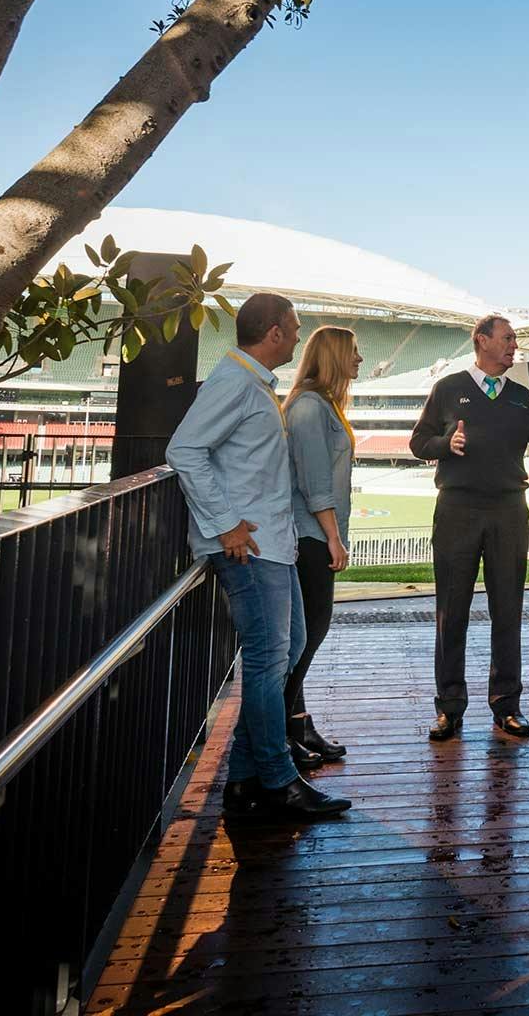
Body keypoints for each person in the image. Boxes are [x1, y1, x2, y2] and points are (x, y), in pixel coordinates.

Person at [167, 293, 351, 821]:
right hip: (250, 548)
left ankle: (246, 780)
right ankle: (277, 780)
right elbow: (184, 450)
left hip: (272, 543)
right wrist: (224, 524)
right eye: (293, 328)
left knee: (286, 650)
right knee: (271, 661)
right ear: (273, 332)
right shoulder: (233, 381)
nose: (297, 337)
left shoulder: (254, 385)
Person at [408, 314, 529, 739]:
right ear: (482, 341)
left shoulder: (522, 396)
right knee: (451, 613)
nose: (514, 345)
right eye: (507, 338)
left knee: (507, 611)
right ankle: (449, 708)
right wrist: (446, 445)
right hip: (457, 511)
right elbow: (418, 442)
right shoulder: (448, 388)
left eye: (515, 338)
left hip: (508, 512)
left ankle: (506, 706)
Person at [283, 324, 359, 768]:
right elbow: (314, 483)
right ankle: (283, 735)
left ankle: (298, 725)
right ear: (332, 356)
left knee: (306, 636)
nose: (359, 360)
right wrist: (333, 537)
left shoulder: (324, 403)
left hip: (314, 533)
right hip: (309, 536)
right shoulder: (310, 407)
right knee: (307, 636)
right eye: (353, 352)